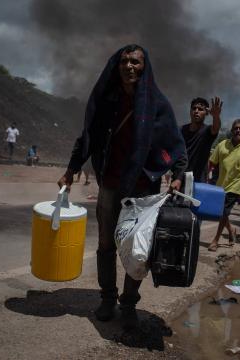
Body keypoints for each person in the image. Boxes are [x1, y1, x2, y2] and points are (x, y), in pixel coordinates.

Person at [56, 44, 187, 330]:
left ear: (145, 66)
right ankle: (107, 299)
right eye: (125, 61)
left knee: (137, 251)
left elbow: (176, 146)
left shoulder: (157, 104)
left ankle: (128, 304)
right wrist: (71, 170)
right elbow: (87, 136)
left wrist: (177, 175)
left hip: (142, 190)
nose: (130, 66)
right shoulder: (109, 101)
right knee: (106, 245)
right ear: (117, 66)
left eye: (136, 62)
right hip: (111, 185)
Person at [208, 119, 240, 251]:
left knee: (224, 212)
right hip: (219, 186)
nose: (238, 130)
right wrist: (206, 179)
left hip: (236, 186)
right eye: (235, 128)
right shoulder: (222, 144)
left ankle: (215, 240)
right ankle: (230, 232)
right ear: (231, 130)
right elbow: (212, 163)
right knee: (222, 213)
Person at [180, 97, 222, 182]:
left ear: (206, 113)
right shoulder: (181, 130)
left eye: (200, 109)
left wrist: (216, 116)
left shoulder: (207, 131)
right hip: (180, 178)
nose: (196, 111)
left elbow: (215, 128)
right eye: (194, 108)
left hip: (198, 179)